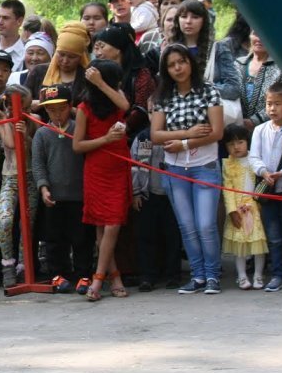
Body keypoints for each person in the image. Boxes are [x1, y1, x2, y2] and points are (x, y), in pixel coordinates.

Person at [151, 43, 224, 295]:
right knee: (187, 226)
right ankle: (198, 275)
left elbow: (217, 132)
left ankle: (212, 275)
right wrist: (188, 133)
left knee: (206, 225)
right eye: (171, 65)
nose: (178, 68)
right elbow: (156, 135)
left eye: (181, 61)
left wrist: (183, 143)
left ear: (191, 63)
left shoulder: (209, 91)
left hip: (205, 165)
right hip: (175, 169)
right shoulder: (163, 96)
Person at [71, 60, 131, 301]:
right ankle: (111, 276)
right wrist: (105, 139)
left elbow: (125, 105)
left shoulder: (117, 99)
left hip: (118, 168)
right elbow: (77, 146)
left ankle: (100, 278)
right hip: (96, 169)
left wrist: (102, 84)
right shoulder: (84, 108)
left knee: (112, 224)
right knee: (101, 224)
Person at [32, 85, 91, 294]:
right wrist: (43, 187)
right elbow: (38, 164)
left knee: (81, 237)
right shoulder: (42, 134)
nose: (57, 114)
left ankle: (84, 274)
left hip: (79, 194)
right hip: (54, 195)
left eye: (61, 108)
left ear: (70, 106)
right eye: (51, 109)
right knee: (54, 238)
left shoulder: (79, 129)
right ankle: (58, 274)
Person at [249, 82, 282, 292]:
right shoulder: (259, 131)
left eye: (277, 104)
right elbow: (253, 157)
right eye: (269, 104)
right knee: (274, 236)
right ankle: (277, 274)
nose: (272, 108)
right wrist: (263, 171)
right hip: (268, 193)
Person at [0, 86, 39, 287]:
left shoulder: (34, 119)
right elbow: (10, 144)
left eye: (26, 107)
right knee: (5, 220)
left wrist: (26, 135)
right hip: (9, 177)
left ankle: (24, 266)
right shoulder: (1, 121)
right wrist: (5, 119)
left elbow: (38, 149)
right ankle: (7, 265)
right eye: (20, 107)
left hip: (31, 176)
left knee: (27, 223)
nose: (23, 111)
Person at [130, 126, 182, 292]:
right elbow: (134, 166)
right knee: (146, 235)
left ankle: (173, 274)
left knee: (173, 235)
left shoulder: (177, 133)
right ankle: (147, 276)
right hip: (147, 194)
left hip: (173, 195)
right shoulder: (143, 138)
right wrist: (136, 192)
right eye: (152, 113)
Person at [220, 124, 268, 291]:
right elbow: (227, 189)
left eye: (240, 142)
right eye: (231, 144)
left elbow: (263, 182)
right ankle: (242, 276)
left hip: (255, 208)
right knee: (239, 245)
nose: (236, 147)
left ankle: (258, 275)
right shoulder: (227, 164)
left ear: (247, 142)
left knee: (258, 243)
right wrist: (232, 211)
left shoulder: (256, 160)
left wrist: (259, 203)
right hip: (237, 208)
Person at [238, 30, 282, 133]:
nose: (259, 39)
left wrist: (254, 121)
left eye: (264, 34)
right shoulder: (238, 64)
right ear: (250, 36)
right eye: (255, 34)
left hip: (270, 131)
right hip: (237, 132)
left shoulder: (281, 68)